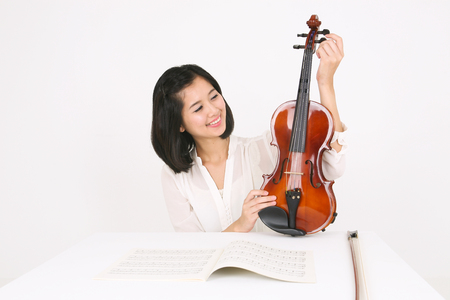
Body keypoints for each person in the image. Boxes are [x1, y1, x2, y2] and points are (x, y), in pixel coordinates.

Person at [151, 34, 347, 233]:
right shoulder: (174, 177)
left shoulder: (265, 148)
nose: (213, 110)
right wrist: (240, 225)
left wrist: (325, 83)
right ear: (178, 124)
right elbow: (193, 251)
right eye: (198, 108)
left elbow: (333, 166)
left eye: (214, 96)